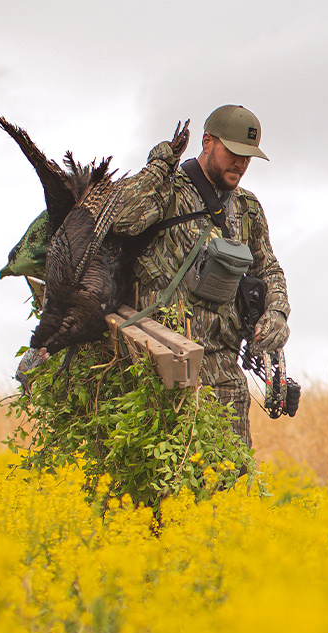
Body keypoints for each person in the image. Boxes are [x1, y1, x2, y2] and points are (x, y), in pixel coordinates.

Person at [113, 104, 291, 448]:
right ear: (207, 142)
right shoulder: (168, 190)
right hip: (158, 359)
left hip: (222, 363)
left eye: (248, 157)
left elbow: (268, 269)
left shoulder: (247, 208)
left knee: (228, 470)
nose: (240, 164)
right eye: (233, 153)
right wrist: (159, 166)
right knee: (159, 476)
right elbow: (124, 219)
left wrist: (277, 313)